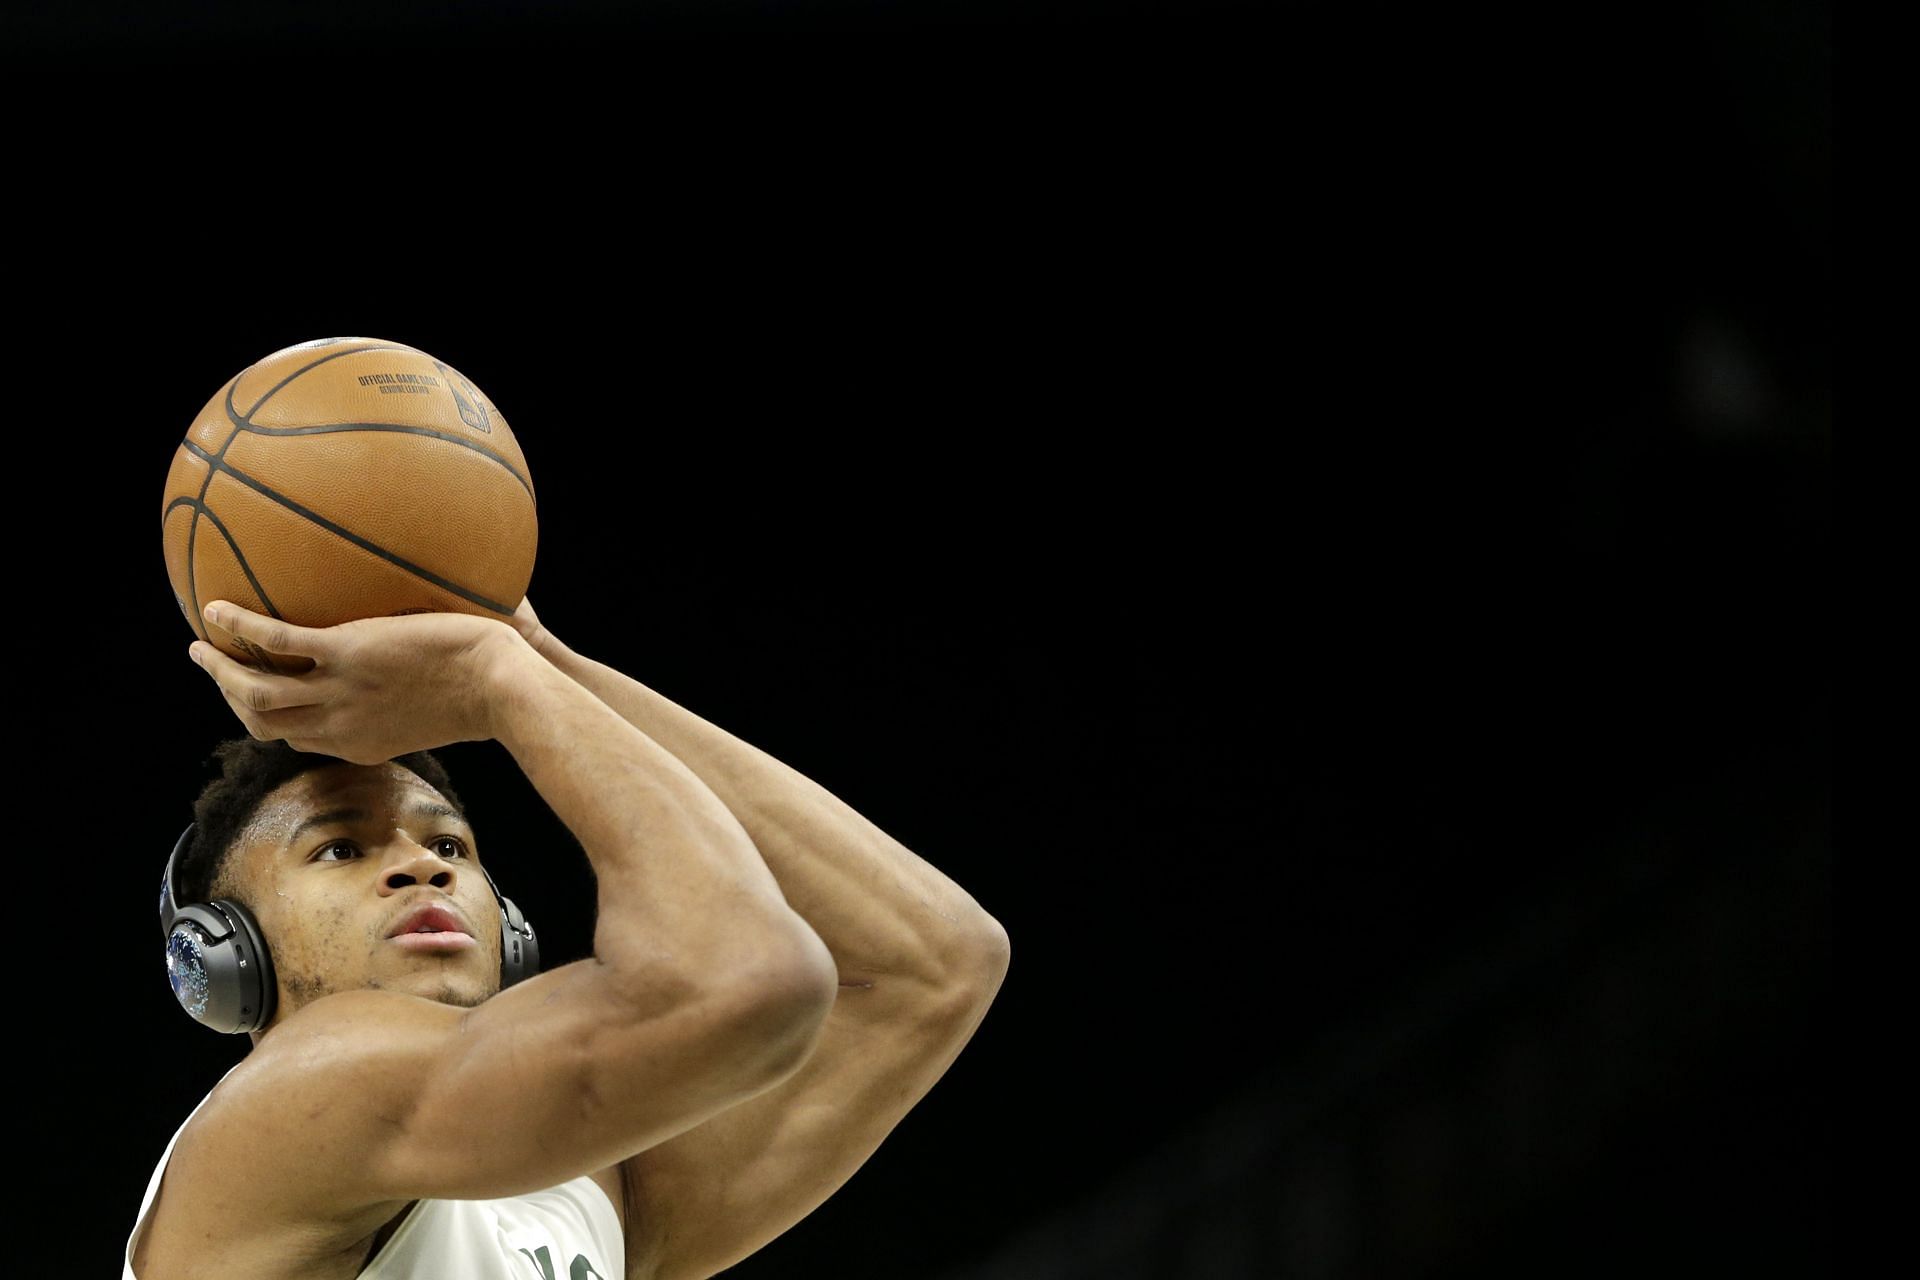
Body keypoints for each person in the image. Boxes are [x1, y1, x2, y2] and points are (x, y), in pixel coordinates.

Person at [126, 596, 1011, 1279]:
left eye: (447, 845)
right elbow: (746, 978)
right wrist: (494, 678)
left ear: (508, 928)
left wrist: (548, 663)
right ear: (223, 956)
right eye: (340, 847)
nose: (420, 867)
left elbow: (936, 962)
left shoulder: (582, 1191)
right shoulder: (285, 1107)